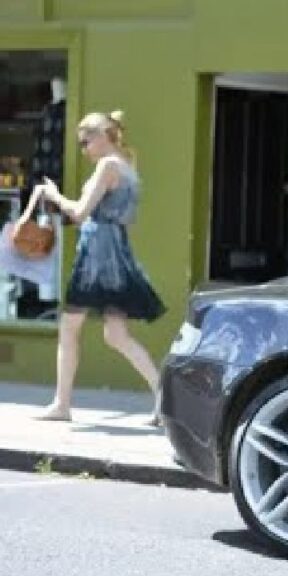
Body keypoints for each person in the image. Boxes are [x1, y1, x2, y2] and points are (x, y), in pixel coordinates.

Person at [34, 110, 166, 424]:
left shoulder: (108, 166)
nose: (83, 148)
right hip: (116, 250)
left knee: (70, 327)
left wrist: (52, 194)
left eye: (86, 140)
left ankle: (62, 405)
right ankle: (165, 399)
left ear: (103, 135)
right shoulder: (129, 167)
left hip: (97, 253)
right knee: (117, 335)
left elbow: (79, 213)